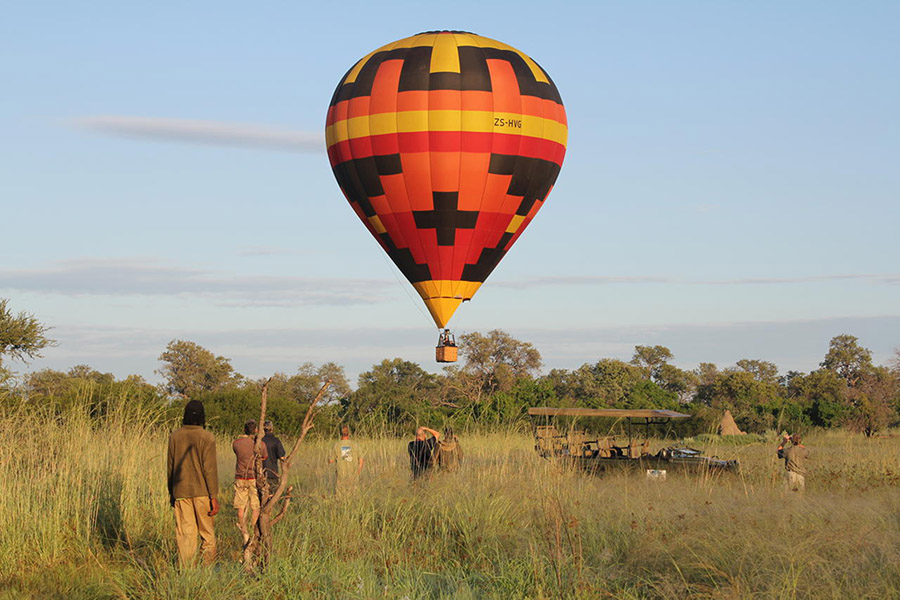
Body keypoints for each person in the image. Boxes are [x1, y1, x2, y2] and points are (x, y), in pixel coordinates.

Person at [167, 400, 219, 567]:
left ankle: (187, 574)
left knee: (185, 536)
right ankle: (207, 572)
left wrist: (171, 493)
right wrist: (214, 497)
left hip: (181, 492)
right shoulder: (207, 437)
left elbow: (170, 466)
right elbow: (209, 469)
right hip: (203, 493)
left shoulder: (175, 436)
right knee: (207, 534)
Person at [233, 420, 266, 545]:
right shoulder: (260, 444)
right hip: (253, 477)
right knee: (255, 507)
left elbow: (237, 454)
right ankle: (253, 533)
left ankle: (244, 533)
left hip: (240, 477)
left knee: (240, 507)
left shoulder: (236, 443)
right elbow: (264, 457)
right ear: (256, 430)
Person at [330, 425, 364, 495]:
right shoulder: (356, 445)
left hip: (341, 475)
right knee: (353, 495)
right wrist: (357, 473)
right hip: (353, 474)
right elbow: (361, 461)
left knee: (340, 496)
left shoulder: (336, 445)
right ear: (349, 433)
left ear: (341, 433)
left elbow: (330, 461)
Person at [261, 420, 286, 492]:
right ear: (272, 429)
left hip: (261, 473)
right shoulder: (276, 441)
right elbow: (282, 457)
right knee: (272, 495)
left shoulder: (259, 440)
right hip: (273, 472)